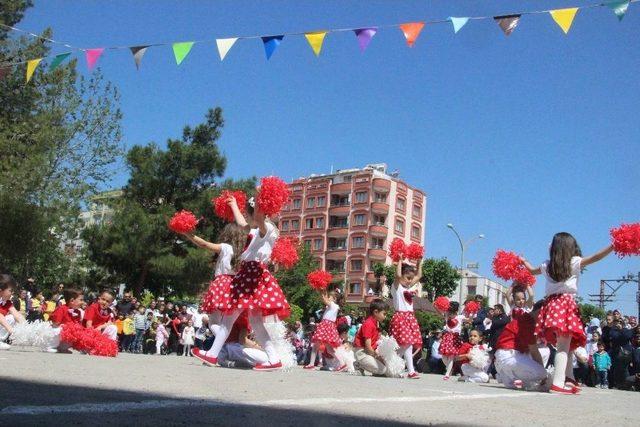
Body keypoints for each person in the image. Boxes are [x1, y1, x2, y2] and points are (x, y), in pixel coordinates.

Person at [192, 195, 290, 371]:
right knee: (255, 322)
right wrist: (234, 205)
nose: (247, 217)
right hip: (250, 275)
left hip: (253, 275)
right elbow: (243, 225)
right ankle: (273, 359)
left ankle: (212, 354)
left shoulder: (266, 228)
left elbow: (258, 219)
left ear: (257, 213)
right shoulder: (257, 230)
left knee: (229, 317)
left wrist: (261, 200)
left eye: (248, 213)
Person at [521, 232, 614, 394]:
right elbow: (597, 257)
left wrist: (523, 261)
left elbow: (531, 271)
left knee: (568, 345)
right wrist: (614, 245)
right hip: (566, 305)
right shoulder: (575, 262)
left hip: (551, 305)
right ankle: (558, 383)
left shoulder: (546, 265)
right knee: (563, 346)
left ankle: (569, 378)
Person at [180, 224, 245, 326]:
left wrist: (187, 233)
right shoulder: (242, 252)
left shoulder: (225, 247)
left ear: (227, 235)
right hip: (236, 286)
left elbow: (204, 244)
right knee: (226, 323)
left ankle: (225, 341)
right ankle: (225, 340)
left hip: (222, 284)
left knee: (213, 322)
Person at [494, 300, 547, 390]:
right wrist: (544, 376)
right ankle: (507, 373)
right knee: (542, 373)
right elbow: (534, 352)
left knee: (545, 351)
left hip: (511, 354)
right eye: (546, 316)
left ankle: (518, 377)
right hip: (508, 355)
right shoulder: (528, 323)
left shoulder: (526, 319)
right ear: (539, 312)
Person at [389, 257, 423, 379]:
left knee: (407, 344)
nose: (410, 281)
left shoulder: (407, 287)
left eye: (411, 278)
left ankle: (393, 363)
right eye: (408, 277)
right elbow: (398, 275)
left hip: (409, 318)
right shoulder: (396, 287)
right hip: (401, 317)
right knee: (406, 344)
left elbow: (419, 275)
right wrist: (399, 260)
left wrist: (419, 262)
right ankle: (410, 370)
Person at [305, 289, 345, 371]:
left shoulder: (333, 305)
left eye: (329, 297)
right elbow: (325, 300)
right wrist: (323, 292)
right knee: (329, 349)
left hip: (326, 325)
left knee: (316, 345)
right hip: (328, 326)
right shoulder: (333, 306)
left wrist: (321, 290)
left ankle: (311, 364)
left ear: (334, 298)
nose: (328, 298)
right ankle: (343, 363)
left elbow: (324, 300)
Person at [353, 299, 388, 376]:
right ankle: (359, 364)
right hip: (361, 352)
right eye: (384, 314)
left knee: (385, 367)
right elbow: (368, 347)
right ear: (376, 312)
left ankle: (367, 366)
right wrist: (377, 357)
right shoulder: (368, 324)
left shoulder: (375, 323)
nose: (385, 317)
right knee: (383, 370)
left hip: (368, 352)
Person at [439, 301, 465, 380]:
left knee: (450, 356)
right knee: (443, 356)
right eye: (449, 311)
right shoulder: (447, 316)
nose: (450, 313)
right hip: (446, 337)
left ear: (456, 311)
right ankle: (450, 368)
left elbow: (470, 319)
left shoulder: (460, 317)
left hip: (454, 338)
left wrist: (472, 312)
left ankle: (447, 374)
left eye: (451, 311)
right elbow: (440, 312)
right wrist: (437, 306)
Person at [0, 274, 27, 350]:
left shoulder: (7, 302)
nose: (12, 293)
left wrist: (27, 328)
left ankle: (0, 340)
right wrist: (12, 331)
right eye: (10, 291)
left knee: (12, 317)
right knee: (6, 319)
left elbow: (17, 315)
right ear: (1, 290)